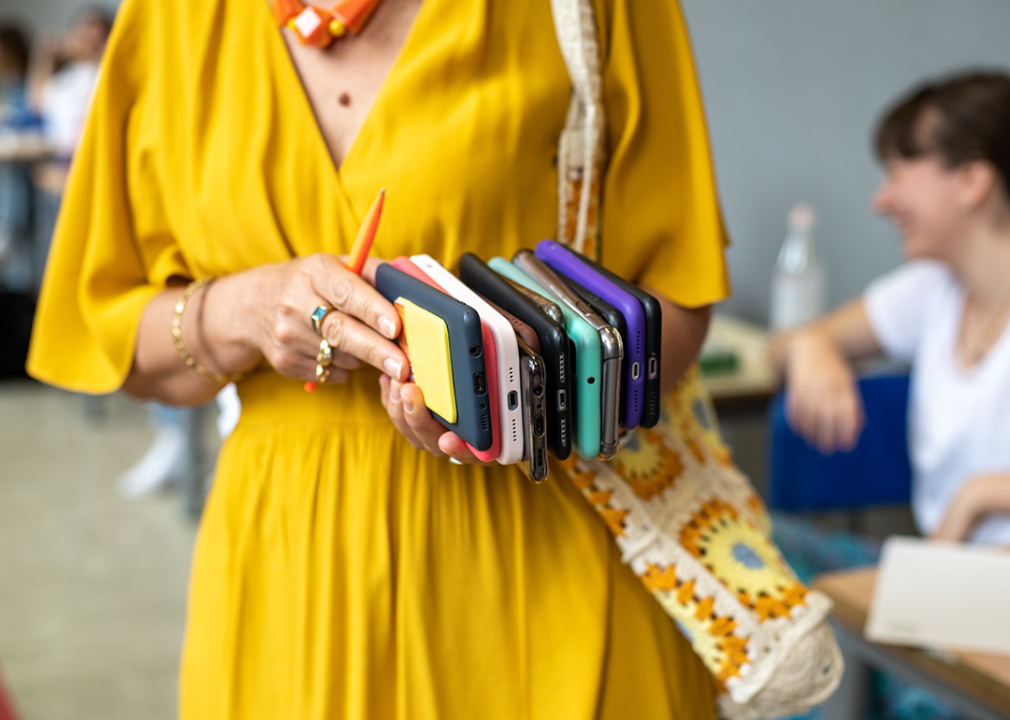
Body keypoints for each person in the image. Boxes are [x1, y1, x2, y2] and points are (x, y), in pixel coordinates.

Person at [27, 0, 730, 716]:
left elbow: (677, 297)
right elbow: (115, 338)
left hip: (540, 558)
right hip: (286, 569)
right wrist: (246, 309)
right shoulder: (172, 18)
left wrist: (523, 394)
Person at [771, 71, 1010, 546]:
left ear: (971, 181)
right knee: (758, 542)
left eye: (899, 173)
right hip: (950, 583)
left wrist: (978, 498)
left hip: (979, 594)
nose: (882, 201)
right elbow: (775, 352)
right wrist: (810, 346)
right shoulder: (931, 291)